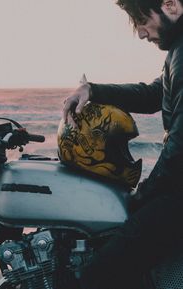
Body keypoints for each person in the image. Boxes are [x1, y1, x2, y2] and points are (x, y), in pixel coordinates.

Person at [63, 0, 183, 288]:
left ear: (171, 5)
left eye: (141, 20)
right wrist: (92, 90)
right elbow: (154, 93)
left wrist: (143, 196)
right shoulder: (177, 53)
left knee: (96, 277)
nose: (141, 33)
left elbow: (180, 148)